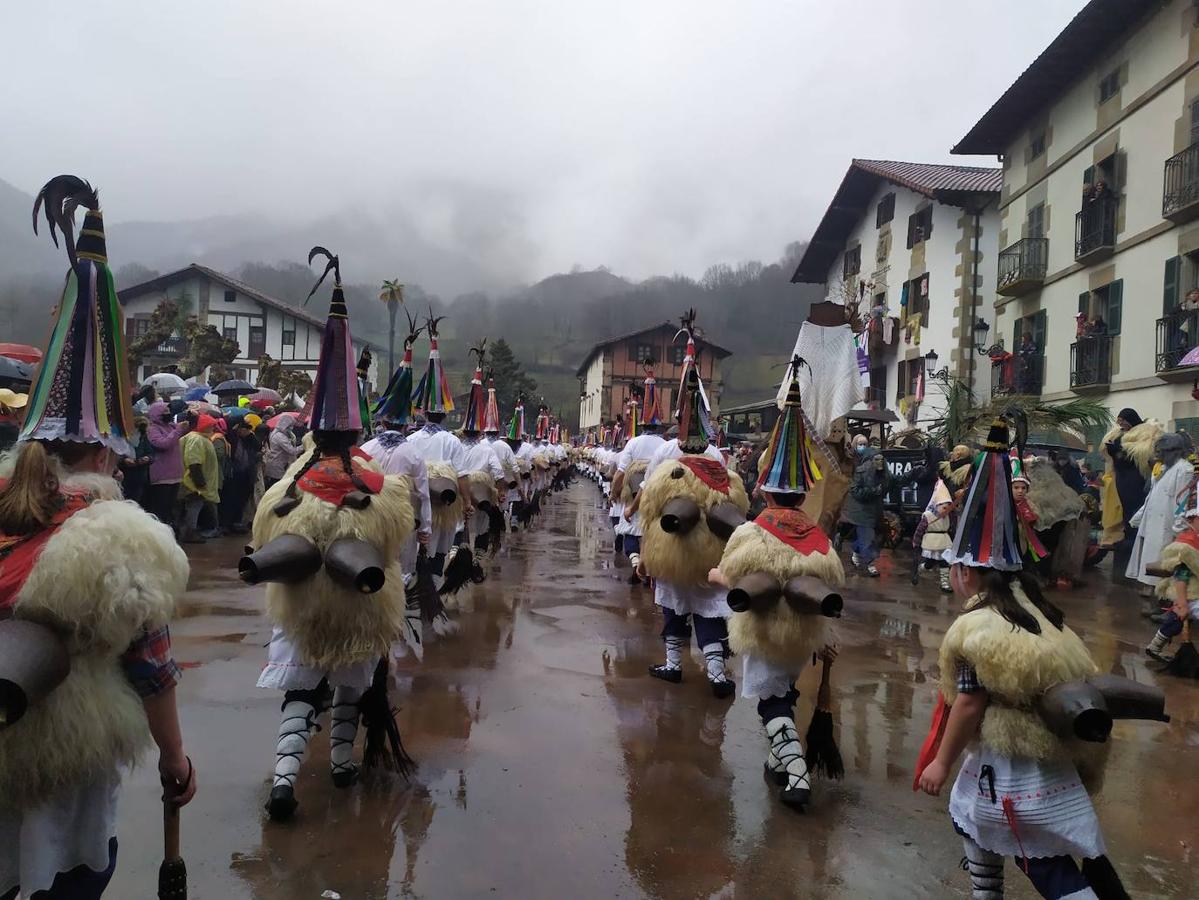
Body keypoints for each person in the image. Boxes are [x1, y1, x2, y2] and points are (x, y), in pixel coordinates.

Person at [1, 175, 195, 899]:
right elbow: (152, 666)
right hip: (62, 757)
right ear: (109, 452)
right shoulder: (119, 535)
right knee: (70, 873)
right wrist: (173, 759)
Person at [916, 418, 1120, 899]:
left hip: (1012, 768)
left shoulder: (976, 629)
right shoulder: (1042, 612)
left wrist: (940, 764)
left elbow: (968, 704)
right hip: (1052, 758)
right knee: (987, 828)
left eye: (956, 572)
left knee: (1035, 857)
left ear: (966, 572)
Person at [250, 248, 416, 822]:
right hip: (360, 612)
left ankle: (286, 777)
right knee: (349, 688)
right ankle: (342, 766)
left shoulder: (285, 487)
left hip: (300, 609)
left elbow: (261, 551)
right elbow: (397, 556)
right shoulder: (383, 490)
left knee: (301, 694)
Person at [709, 355, 843, 810]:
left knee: (772, 704)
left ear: (765, 488)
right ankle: (778, 760)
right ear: (803, 493)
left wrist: (710, 573)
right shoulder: (819, 536)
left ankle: (798, 773)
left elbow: (728, 575)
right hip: (803, 634)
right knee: (783, 691)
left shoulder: (752, 531)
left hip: (764, 631)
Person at [637, 319, 746, 696]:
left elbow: (649, 502)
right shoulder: (717, 454)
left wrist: (643, 550)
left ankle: (673, 665)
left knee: (675, 604)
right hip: (708, 547)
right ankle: (716, 673)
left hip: (672, 545)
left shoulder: (666, 452)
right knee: (708, 604)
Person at [1127, 433, 1194, 610]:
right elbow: (1151, 498)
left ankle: (1167, 606)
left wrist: (1178, 530)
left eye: (1163, 452)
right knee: (1154, 567)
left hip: (1169, 529)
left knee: (1167, 568)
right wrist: (1139, 518)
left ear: (1174, 451)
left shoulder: (1184, 469)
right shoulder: (1165, 469)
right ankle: (1159, 603)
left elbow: (1182, 502)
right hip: (1153, 527)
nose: (1160, 456)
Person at [616, 371, 667, 585]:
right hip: (658, 497)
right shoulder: (666, 445)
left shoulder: (634, 443)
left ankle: (637, 563)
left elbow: (620, 472)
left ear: (643, 425)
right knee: (652, 532)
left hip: (636, 493)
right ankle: (649, 567)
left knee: (629, 529)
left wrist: (614, 492)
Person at [1100, 408, 1161, 579]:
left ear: (1130, 419)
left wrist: (1120, 449)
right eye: (1118, 420)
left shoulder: (1145, 432)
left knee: (1134, 508)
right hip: (1121, 476)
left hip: (1134, 478)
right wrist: (1114, 450)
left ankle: (1133, 538)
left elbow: (1142, 453)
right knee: (1123, 509)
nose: (1120, 423)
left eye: (1123, 420)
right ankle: (1125, 534)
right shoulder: (1119, 432)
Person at [1144, 488, 1199, 663]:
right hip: (1189, 592)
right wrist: (1182, 602)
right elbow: (1181, 576)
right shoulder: (1187, 545)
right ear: (1192, 519)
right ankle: (1155, 647)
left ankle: (1155, 646)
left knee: (1177, 618)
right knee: (1178, 616)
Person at [841, 432, 890, 577]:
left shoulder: (878, 466)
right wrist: (873, 491)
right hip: (859, 508)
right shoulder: (854, 462)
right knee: (867, 536)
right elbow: (855, 489)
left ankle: (856, 553)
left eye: (865, 444)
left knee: (866, 535)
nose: (862, 447)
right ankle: (870, 564)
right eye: (860, 444)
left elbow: (889, 481)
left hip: (872, 508)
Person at [146, 400, 191, 529]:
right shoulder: (152, 429)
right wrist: (178, 430)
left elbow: (178, 436)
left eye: (169, 411)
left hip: (175, 474)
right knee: (160, 509)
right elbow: (163, 444)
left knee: (171, 508)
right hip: (161, 477)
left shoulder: (170, 426)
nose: (169, 413)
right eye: (165, 411)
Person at [179, 415, 220, 544]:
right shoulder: (196, 439)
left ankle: (191, 530)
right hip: (193, 482)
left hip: (199, 480)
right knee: (194, 506)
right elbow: (193, 461)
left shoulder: (201, 438)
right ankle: (190, 532)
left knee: (197, 505)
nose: (213, 427)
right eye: (211, 425)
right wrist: (199, 481)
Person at [911, 480, 954, 592]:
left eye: (948, 508)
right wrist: (916, 541)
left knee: (944, 562)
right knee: (930, 563)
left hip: (944, 541)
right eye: (944, 508)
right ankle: (922, 568)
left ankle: (944, 583)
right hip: (932, 542)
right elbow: (920, 530)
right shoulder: (928, 516)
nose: (946, 511)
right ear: (937, 505)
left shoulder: (947, 516)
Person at [118, 416, 154, 509]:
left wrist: (147, 458)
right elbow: (116, 454)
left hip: (140, 476)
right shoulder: (121, 437)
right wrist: (123, 460)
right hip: (125, 477)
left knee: (136, 504)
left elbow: (151, 454)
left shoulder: (143, 437)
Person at [263, 415, 302, 489]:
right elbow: (292, 451)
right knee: (277, 487)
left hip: (275, 464)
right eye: (290, 426)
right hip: (278, 466)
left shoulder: (275, 432)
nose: (291, 428)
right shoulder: (280, 437)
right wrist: (304, 445)